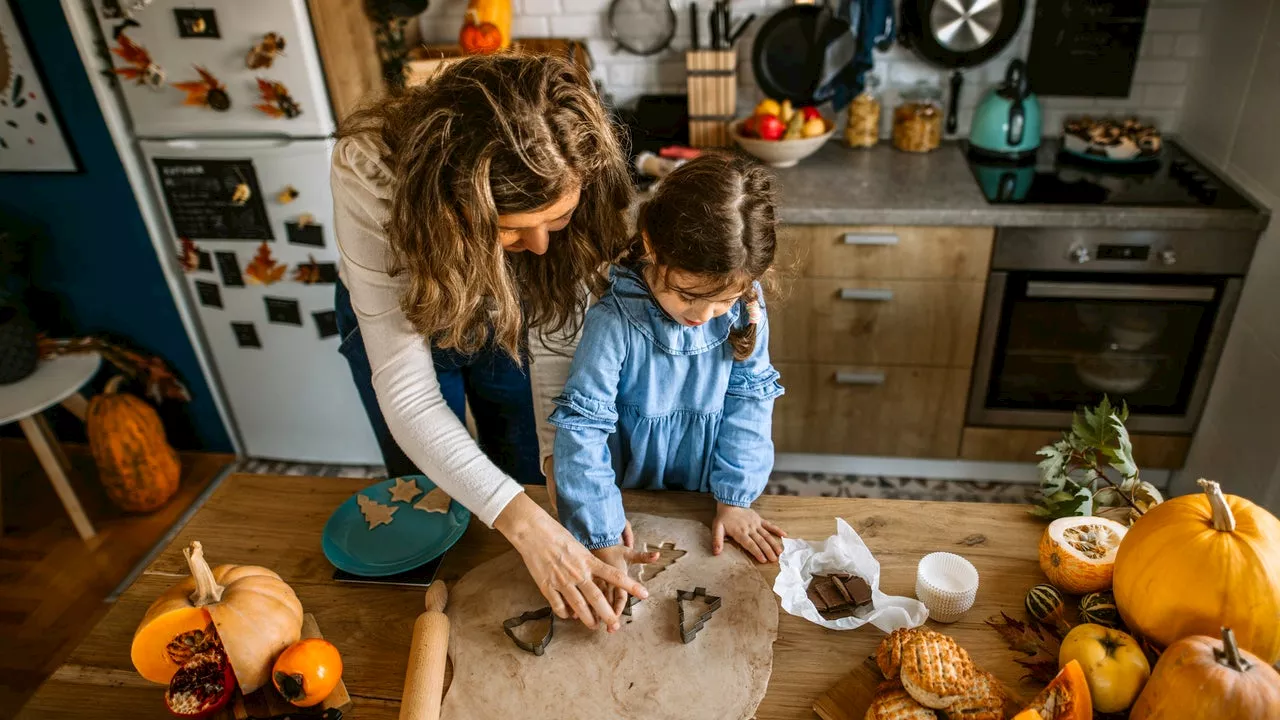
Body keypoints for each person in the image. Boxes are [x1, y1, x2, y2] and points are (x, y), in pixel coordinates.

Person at [330, 54, 652, 632]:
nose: (541, 247)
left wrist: (567, 485)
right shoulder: (369, 171)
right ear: (452, 210)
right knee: (429, 494)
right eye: (511, 227)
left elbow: (558, 340)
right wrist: (524, 525)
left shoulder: (572, 165)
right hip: (402, 316)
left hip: (511, 309)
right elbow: (410, 398)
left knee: (524, 459)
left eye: (556, 220)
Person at [549, 153, 788, 614]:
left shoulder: (748, 308)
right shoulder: (613, 322)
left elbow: (748, 403)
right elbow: (583, 431)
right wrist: (600, 530)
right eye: (688, 296)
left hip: (702, 496)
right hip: (622, 497)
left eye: (723, 301)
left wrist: (734, 500)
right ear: (652, 248)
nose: (702, 317)